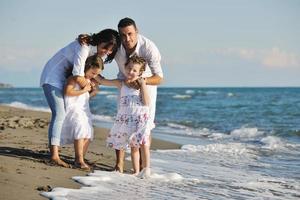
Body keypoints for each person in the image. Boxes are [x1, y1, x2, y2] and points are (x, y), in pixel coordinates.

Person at [40, 29, 120, 167]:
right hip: (52, 78)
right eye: (105, 47)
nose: (107, 51)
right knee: (59, 113)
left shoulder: (93, 52)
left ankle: (77, 157)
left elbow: (91, 74)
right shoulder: (85, 48)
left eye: (110, 50)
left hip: (64, 79)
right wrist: (89, 87)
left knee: (66, 115)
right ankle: (54, 156)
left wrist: (115, 83)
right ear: (99, 40)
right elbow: (78, 74)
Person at [113, 17, 164, 173]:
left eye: (130, 34)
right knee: (122, 123)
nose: (127, 39)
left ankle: (143, 167)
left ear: (137, 31)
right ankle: (119, 164)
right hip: (124, 85)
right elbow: (96, 48)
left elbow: (159, 77)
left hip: (146, 86)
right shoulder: (116, 45)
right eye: (123, 35)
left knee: (144, 126)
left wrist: (141, 81)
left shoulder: (149, 48)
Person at [98, 55, 151, 177]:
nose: (131, 72)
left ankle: (147, 169)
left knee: (143, 143)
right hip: (127, 119)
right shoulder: (121, 83)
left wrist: (143, 84)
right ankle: (136, 171)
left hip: (140, 118)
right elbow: (103, 81)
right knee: (133, 146)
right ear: (125, 67)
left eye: (135, 70)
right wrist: (91, 71)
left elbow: (146, 102)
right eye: (129, 68)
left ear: (140, 72)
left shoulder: (140, 84)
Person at [60, 55, 103, 170]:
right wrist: (84, 90)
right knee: (80, 130)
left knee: (89, 133)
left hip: (84, 109)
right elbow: (67, 92)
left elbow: (87, 96)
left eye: (96, 74)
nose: (94, 76)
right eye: (93, 73)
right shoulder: (75, 78)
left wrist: (93, 90)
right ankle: (79, 160)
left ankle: (80, 159)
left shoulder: (88, 81)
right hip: (74, 108)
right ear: (86, 67)